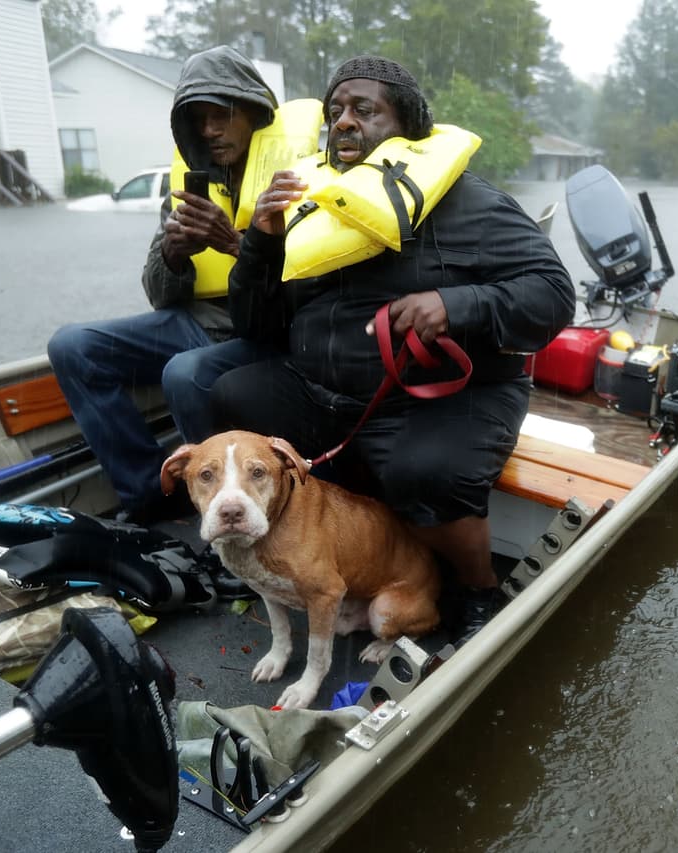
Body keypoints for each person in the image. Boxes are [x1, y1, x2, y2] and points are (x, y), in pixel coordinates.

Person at [211, 56, 576, 644]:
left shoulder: (471, 204)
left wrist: (456, 304)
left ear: (407, 124)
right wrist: (259, 241)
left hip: (439, 395)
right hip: (326, 389)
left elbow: (555, 295)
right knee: (228, 392)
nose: (344, 122)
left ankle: (477, 588)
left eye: (364, 110)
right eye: (335, 112)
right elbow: (256, 327)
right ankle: (277, 549)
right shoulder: (315, 201)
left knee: (426, 471)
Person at [47, 46, 284, 524]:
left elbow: (309, 282)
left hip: (265, 330)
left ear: (255, 111)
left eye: (222, 115)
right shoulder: (191, 183)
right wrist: (174, 254)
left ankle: (228, 512)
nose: (210, 130)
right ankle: (149, 496)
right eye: (198, 119)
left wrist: (235, 241)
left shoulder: (293, 173)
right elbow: (159, 294)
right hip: (195, 322)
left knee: (183, 371)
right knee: (72, 346)